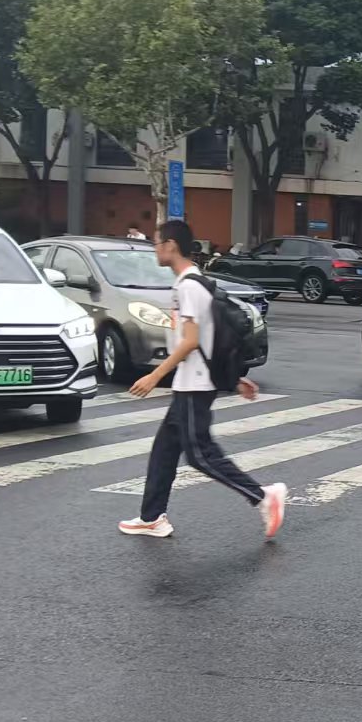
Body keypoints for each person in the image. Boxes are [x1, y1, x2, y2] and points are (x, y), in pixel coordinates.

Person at [117, 219, 286, 540]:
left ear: (170, 246)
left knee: (200, 455)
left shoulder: (188, 287)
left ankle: (264, 497)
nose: (154, 250)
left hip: (194, 385)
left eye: (156, 243)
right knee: (164, 450)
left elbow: (192, 341)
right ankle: (151, 517)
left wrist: (154, 375)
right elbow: (213, 339)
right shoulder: (196, 282)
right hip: (190, 382)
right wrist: (233, 379)